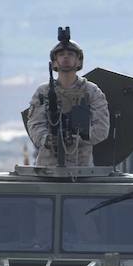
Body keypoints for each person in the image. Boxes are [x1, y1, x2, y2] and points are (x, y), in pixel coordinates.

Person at [26, 31, 110, 167]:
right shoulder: (44, 92)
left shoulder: (91, 91)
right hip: (48, 166)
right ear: (54, 62)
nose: (65, 57)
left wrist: (77, 139)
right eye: (61, 55)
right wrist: (47, 139)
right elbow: (35, 124)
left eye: (70, 54)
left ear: (78, 61)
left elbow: (102, 129)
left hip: (81, 166)